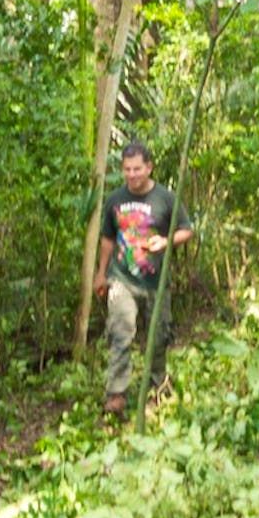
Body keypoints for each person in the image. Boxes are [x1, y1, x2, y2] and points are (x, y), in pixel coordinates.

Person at [94, 142, 194, 415]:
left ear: (149, 167)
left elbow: (187, 230)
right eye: (127, 169)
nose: (132, 174)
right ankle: (116, 394)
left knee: (158, 336)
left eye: (137, 168)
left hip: (156, 282)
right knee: (120, 333)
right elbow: (107, 238)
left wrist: (166, 241)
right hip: (122, 279)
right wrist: (101, 273)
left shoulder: (165, 198)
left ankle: (156, 386)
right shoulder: (115, 200)